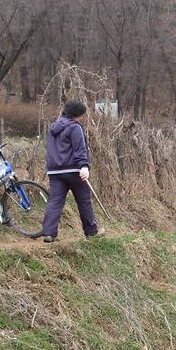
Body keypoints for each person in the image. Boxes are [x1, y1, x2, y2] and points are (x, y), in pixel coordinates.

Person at [37, 99, 104, 243]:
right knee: (84, 200)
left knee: (55, 201)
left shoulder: (54, 128)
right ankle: (91, 232)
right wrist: (84, 166)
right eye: (83, 115)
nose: (83, 117)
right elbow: (80, 149)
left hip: (55, 171)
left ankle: (49, 233)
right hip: (74, 170)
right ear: (78, 114)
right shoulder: (75, 128)